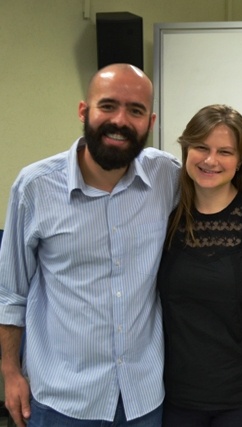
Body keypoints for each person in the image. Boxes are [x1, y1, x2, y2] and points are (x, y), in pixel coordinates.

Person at [0, 63, 180, 427]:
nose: (121, 120)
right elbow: (10, 293)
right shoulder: (35, 187)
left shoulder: (167, 176)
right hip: (62, 403)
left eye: (136, 110)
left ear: (151, 121)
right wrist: (10, 372)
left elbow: (224, 185)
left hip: (142, 401)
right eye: (108, 106)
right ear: (84, 111)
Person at [157, 104, 242, 427]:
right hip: (176, 397)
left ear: (240, 159)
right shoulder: (165, 212)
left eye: (225, 152)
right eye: (201, 147)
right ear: (186, 149)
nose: (210, 160)